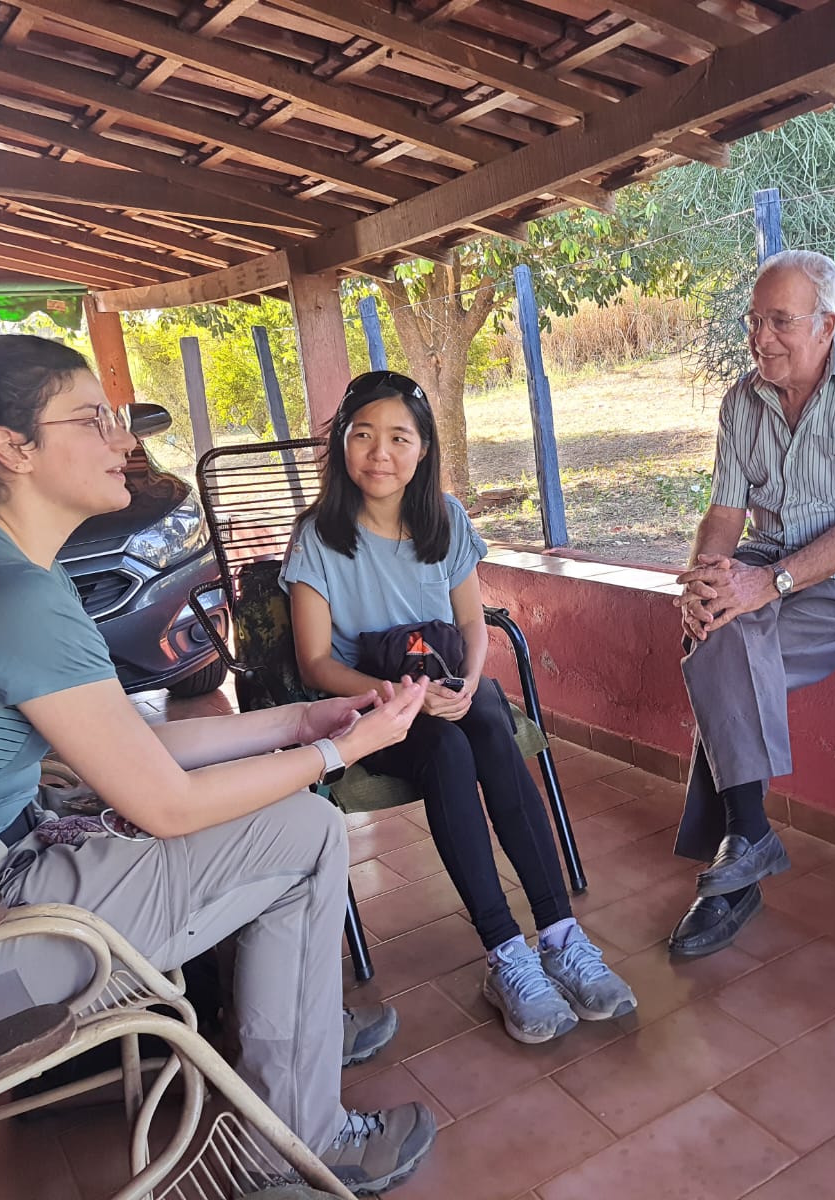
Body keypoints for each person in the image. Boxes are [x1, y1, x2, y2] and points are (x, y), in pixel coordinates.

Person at [0, 336, 439, 1197]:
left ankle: (298, 1037)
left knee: (282, 818)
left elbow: (134, 745)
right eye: (93, 420)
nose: (124, 441)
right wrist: (337, 753)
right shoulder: (7, 592)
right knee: (308, 832)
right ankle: (299, 1139)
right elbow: (165, 803)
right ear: (14, 449)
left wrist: (305, 718)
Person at [282, 370, 636, 1046]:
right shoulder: (319, 538)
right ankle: (506, 953)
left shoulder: (444, 518)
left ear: (423, 449)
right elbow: (316, 663)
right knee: (446, 748)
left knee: (487, 720)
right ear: (341, 447)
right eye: (362, 436)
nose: (379, 453)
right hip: (374, 703)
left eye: (398, 438)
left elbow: (474, 626)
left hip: (450, 689)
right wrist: (392, 696)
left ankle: (559, 933)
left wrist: (470, 683)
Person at [668, 249, 835, 957]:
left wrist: (762, 587)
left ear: (827, 324)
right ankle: (745, 842)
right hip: (767, 566)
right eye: (755, 320)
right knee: (716, 628)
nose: (761, 337)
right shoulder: (740, 401)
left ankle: (736, 857)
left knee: (728, 647)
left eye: (781, 320)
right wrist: (704, 581)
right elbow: (725, 515)